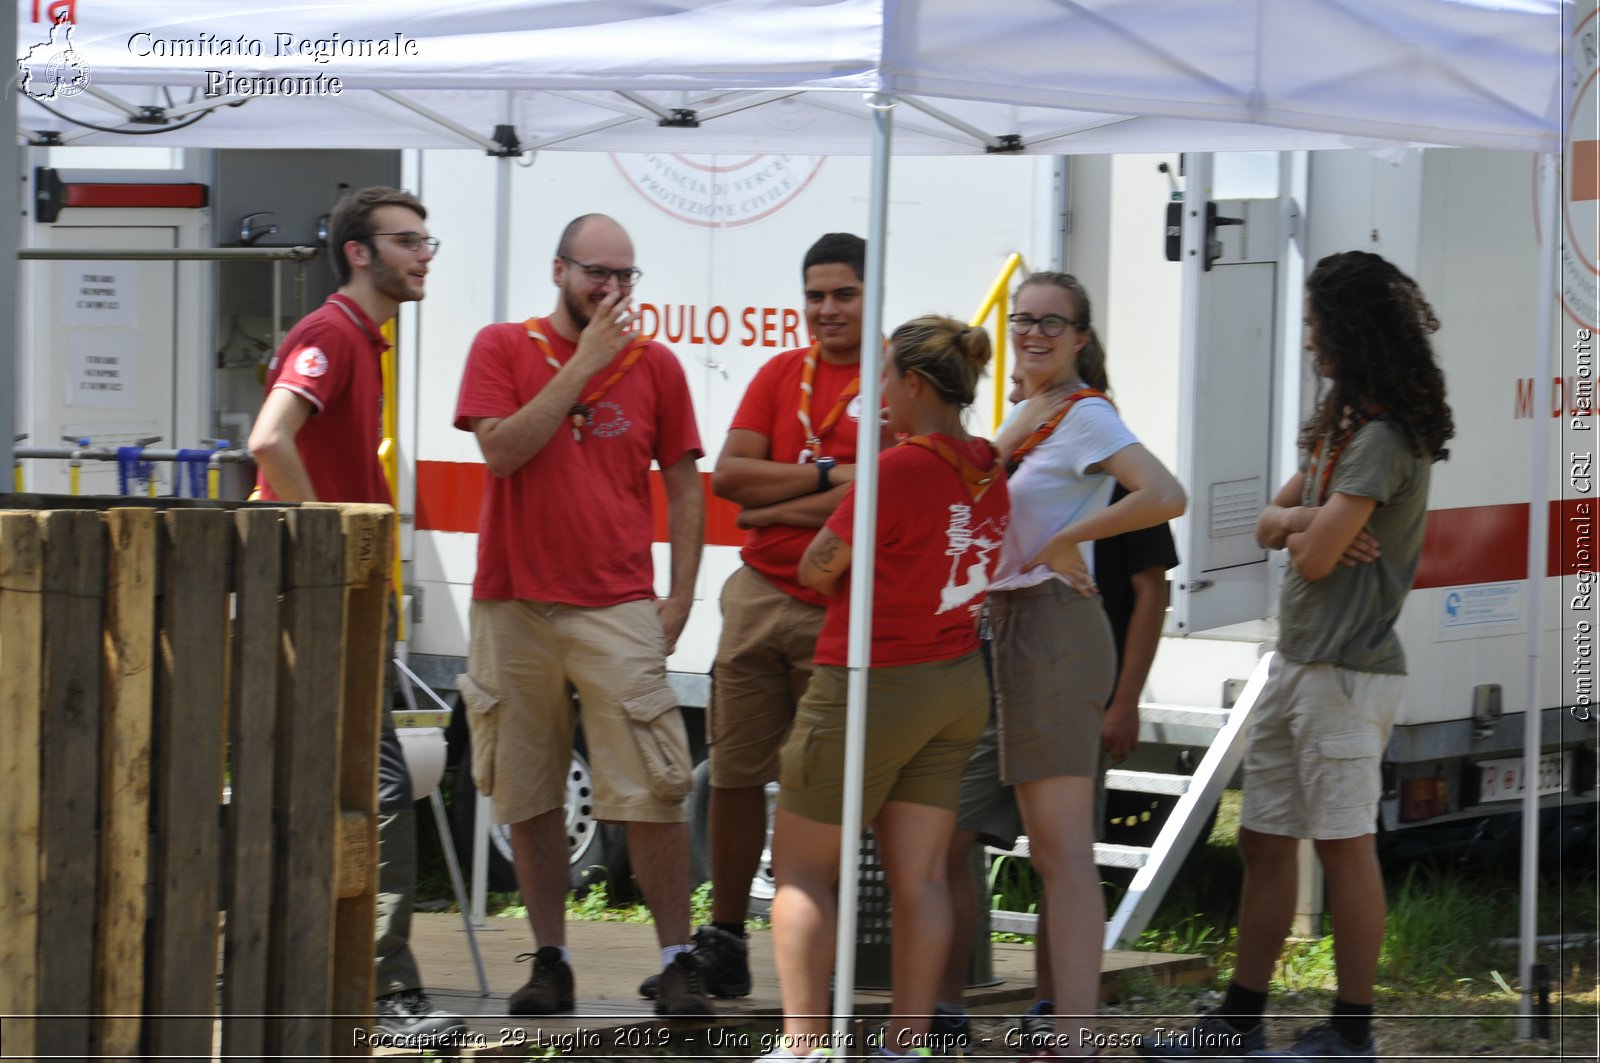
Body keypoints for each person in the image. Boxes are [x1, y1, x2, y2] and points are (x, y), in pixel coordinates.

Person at [1136, 251, 1453, 1063]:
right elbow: (1273, 526)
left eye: (1316, 324)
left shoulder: (1381, 438)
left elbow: (1309, 557)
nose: (1310, 341)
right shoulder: (1343, 429)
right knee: (1265, 838)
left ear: (1350, 330)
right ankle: (1239, 1021)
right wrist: (1312, 519)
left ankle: (1351, 1032)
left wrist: (1305, 529)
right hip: (1300, 662)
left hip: (1348, 673)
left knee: (1344, 845)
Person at [452, 213, 711, 1018]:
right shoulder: (502, 347)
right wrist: (584, 364)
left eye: (626, 277)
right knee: (526, 790)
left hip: (618, 600)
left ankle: (677, 961)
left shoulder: (658, 364)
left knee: (654, 786)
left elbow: (685, 485)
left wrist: (679, 595)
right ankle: (551, 958)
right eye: (597, 272)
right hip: (513, 604)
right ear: (558, 268)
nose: (612, 290)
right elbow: (501, 450)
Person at [758, 316, 1009, 1062]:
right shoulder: (990, 463)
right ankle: (907, 1045)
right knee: (923, 875)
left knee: (803, 866)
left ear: (915, 384)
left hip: (875, 678)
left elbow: (817, 567)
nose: (878, 394)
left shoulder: (895, 469)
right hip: (957, 677)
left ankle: (805, 1048)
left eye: (887, 377)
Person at [248, 186, 465, 1045]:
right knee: (381, 791)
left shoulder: (360, 338)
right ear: (358, 253)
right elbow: (269, 441)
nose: (424, 254)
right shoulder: (333, 335)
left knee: (338, 791)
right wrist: (332, 551)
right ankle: (386, 993)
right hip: (324, 602)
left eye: (426, 239)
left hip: (333, 603)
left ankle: (339, 984)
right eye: (407, 241)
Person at [635, 233, 874, 1003]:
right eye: (815, 295)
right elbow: (732, 479)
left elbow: (886, 494)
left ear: (872, 295)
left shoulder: (894, 380)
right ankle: (727, 937)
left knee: (822, 782)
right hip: (758, 596)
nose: (826, 310)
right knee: (734, 771)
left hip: (842, 604)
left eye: (843, 294)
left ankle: (823, 952)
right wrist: (833, 475)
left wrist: (787, 500)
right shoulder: (781, 373)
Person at [933, 366, 1178, 1050]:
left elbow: (1150, 589)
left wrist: (1125, 700)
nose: (1017, 379)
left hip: (1067, 664)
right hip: (999, 654)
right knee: (953, 830)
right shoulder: (1021, 453)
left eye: (1045, 334)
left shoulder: (1099, 449)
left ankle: (1057, 1015)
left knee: (1059, 851)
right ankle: (947, 1008)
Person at [988, 272, 1187, 1061]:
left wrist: (1075, 539)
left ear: (1079, 336)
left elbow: (1164, 492)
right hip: (1013, 626)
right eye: (1022, 318)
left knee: (1062, 851)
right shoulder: (1028, 411)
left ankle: (1074, 1040)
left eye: (1051, 322)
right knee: (1046, 850)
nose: (1033, 332)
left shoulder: (1086, 412)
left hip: (1055, 631)